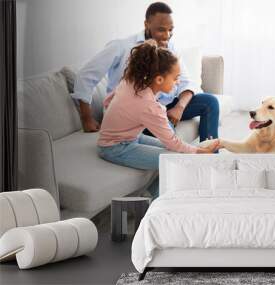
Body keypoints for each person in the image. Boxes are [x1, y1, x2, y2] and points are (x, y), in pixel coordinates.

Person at [73, 2, 219, 142]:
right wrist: (86, 118)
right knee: (170, 139)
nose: (167, 35)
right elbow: (85, 75)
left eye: (171, 30)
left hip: (164, 106)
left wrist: (179, 107)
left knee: (210, 102)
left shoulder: (171, 47)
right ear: (146, 24)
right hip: (135, 112)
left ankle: (209, 158)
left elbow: (186, 82)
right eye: (161, 29)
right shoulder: (122, 47)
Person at [97, 41, 219, 197]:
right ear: (159, 79)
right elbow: (172, 142)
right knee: (177, 161)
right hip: (115, 148)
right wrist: (198, 151)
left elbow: (108, 100)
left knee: (178, 152)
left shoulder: (131, 81)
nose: (178, 82)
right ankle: (150, 205)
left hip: (131, 138)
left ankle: (149, 194)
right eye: (175, 78)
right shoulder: (149, 106)